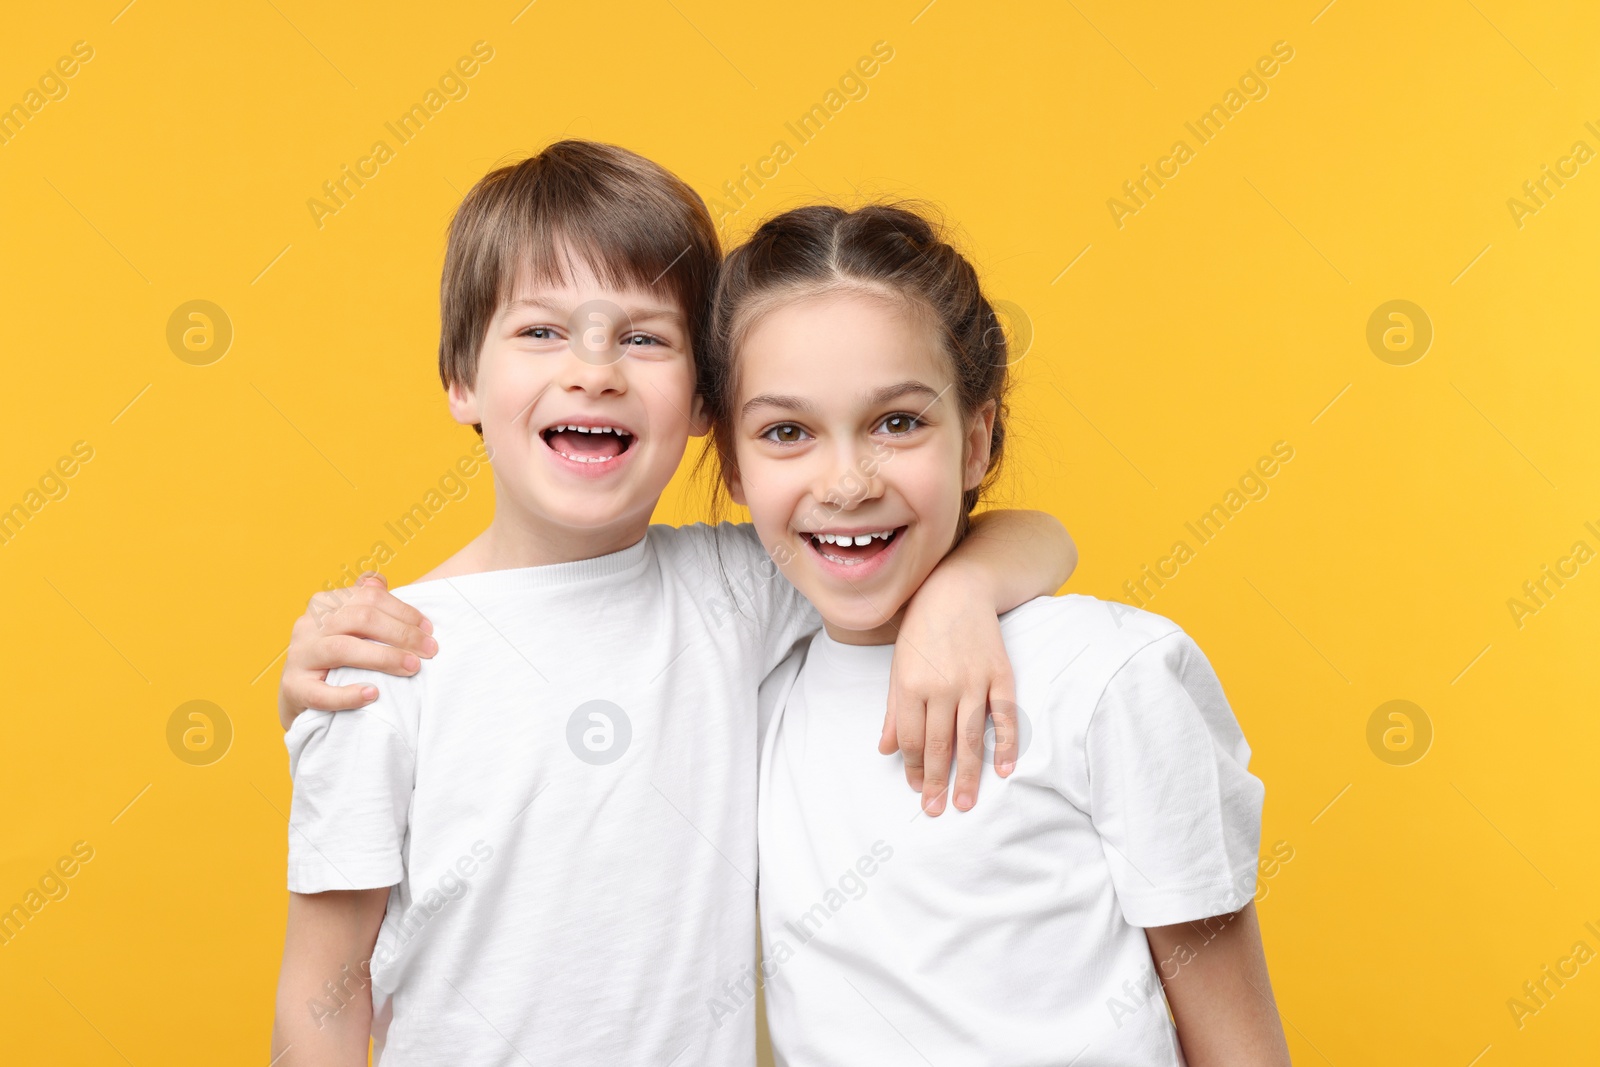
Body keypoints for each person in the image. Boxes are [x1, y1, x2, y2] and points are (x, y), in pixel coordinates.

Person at [269, 142, 1077, 1066]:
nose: (595, 371)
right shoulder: (381, 657)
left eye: (644, 337)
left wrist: (960, 597)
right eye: (541, 331)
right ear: (462, 380)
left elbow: (1028, 533)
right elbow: (320, 1000)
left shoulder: (737, 588)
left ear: (703, 402)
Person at [699, 203, 1292, 1065]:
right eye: (787, 431)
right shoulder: (746, 686)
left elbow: (1240, 1041)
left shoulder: (1105, 676)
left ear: (977, 441)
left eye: (898, 421)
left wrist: (962, 591)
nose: (848, 481)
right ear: (733, 467)